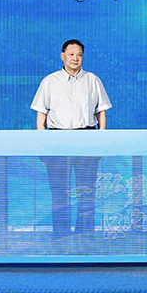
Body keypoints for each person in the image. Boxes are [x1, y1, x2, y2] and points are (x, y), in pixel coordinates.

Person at [31, 39, 111, 235]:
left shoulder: (93, 80)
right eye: (71, 54)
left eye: (79, 55)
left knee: (86, 190)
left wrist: (101, 140)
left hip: (87, 137)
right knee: (59, 191)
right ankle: (61, 233)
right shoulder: (50, 81)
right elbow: (41, 114)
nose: (75, 58)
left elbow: (101, 112)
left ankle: (85, 233)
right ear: (63, 56)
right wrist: (43, 143)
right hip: (57, 138)